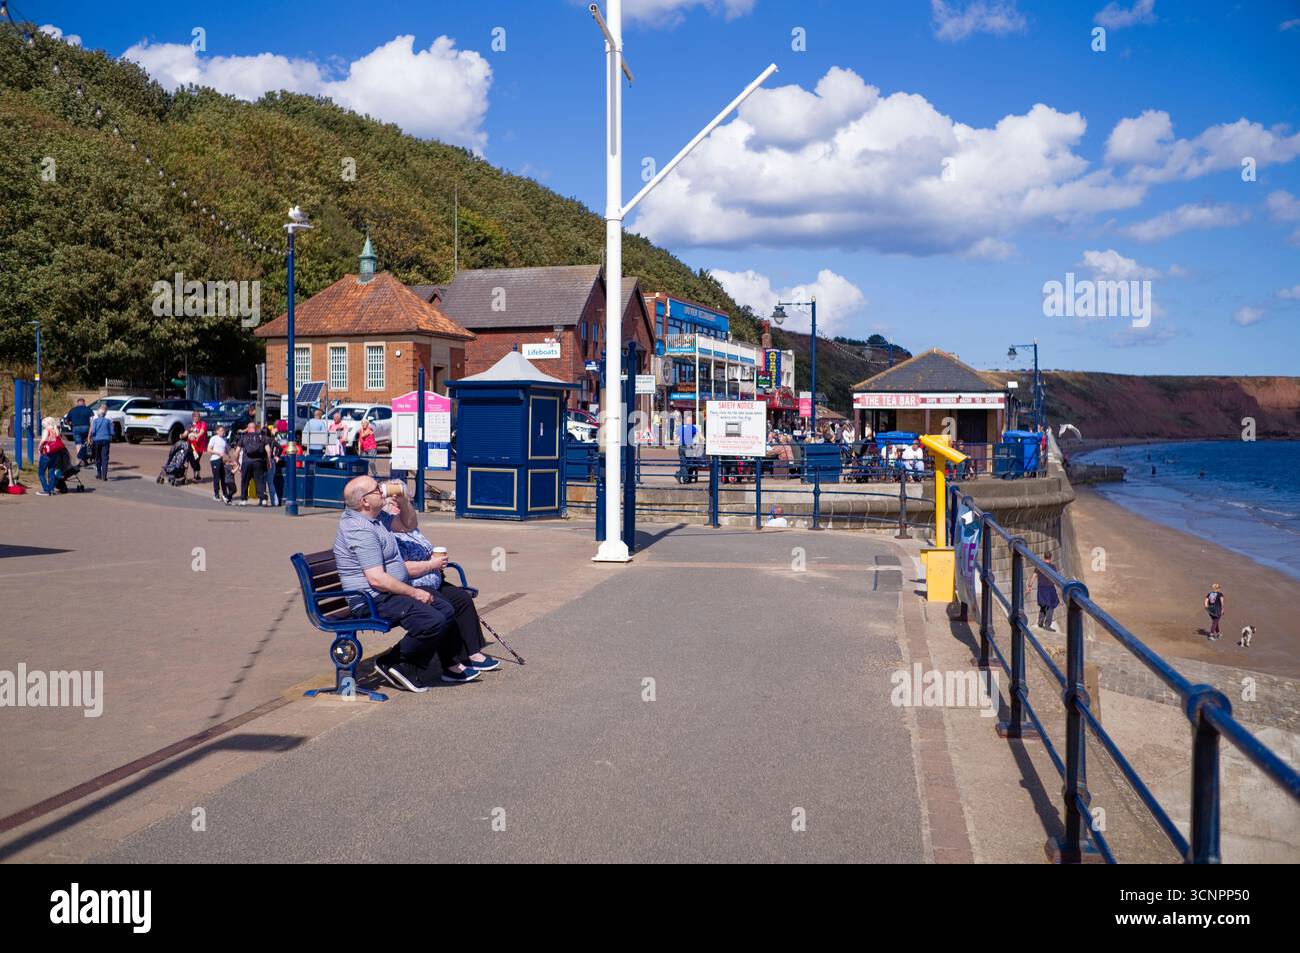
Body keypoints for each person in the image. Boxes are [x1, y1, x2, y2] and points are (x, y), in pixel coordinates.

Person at [333, 476, 481, 690]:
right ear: (364, 501)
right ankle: (393, 662)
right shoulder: (359, 529)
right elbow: (376, 579)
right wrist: (414, 592)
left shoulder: (375, 517)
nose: (381, 490)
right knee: (433, 620)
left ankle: (404, 665)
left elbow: (408, 524)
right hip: (372, 599)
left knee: (445, 608)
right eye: (376, 489)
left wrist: (402, 500)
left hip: (387, 593)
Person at [235, 421, 271, 506]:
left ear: (248, 428)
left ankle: (243, 500)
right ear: (255, 428)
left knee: (245, 481)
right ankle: (262, 499)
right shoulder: (262, 437)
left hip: (246, 462)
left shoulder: (244, 437)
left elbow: (236, 452)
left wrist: (236, 462)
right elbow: (268, 450)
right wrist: (268, 461)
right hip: (259, 462)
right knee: (259, 481)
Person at [1029, 553, 1060, 631]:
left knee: (1043, 604)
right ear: (1050, 557)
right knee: (1050, 606)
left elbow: (1034, 576)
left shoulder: (1039, 566)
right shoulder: (1052, 567)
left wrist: (1029, 585)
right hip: (1049, 588)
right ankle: (1047, 624)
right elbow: (1056, 578)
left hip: (1041, 588)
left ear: (1044, 557)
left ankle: (1040, 621)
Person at [36, 417, 64, 496]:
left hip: (46, 453)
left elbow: (44, 440)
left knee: (41, 472)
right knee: (51, 471)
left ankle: (46, 490)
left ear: (46, 423)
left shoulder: (46, 430)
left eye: (43, 424)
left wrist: (39, 448)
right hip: (54, 453)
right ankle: (52, 489)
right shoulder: (55, 430)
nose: (43, 425)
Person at [88, 403, 113, 480]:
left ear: (98, 414)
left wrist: (90, 437)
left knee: (98, 457)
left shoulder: (95, 421)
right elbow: (112, 432)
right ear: (105, 414)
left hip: (97, 440)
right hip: (106, 440)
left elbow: (93, 431)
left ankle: (99, 473)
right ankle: (104, 476)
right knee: (105, 458)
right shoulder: (108, 421)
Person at [208, 426, 231, 502]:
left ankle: (225, 494)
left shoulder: (224, 439)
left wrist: (228, 453)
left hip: (222, 460)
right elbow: (209, 449)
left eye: (223, 431)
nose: (222, 432)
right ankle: (216, 494)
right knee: (216, 477)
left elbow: (227, 450)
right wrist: (218, 453)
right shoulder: (213, 438)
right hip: (215, 459)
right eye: (221, 430)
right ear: (217, 431)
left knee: (223, 478)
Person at [67, 399, 93, 466]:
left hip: (76, 428)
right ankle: (84, 459)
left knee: (78, 443)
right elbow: (91, 421)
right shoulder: (88, 409)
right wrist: (91, 430)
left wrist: (71, 424)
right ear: (84, 403)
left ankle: (79, 460)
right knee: (85, 444)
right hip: (86, 427)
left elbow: (67, 420)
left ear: (77, 403)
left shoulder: (73, 410)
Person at [187, 411, 208, 480]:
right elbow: (186, 432)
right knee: (191, 460)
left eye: (198, 416)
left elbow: (201, 432)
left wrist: (195, 436)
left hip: (199, 446)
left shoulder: (203, 424)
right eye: (195, 416)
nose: (197, 417)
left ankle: (197, 476)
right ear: (193, 417)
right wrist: (181, 435)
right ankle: (195, 475)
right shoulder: (190, 425)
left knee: (196, 460)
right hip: (191, 445)